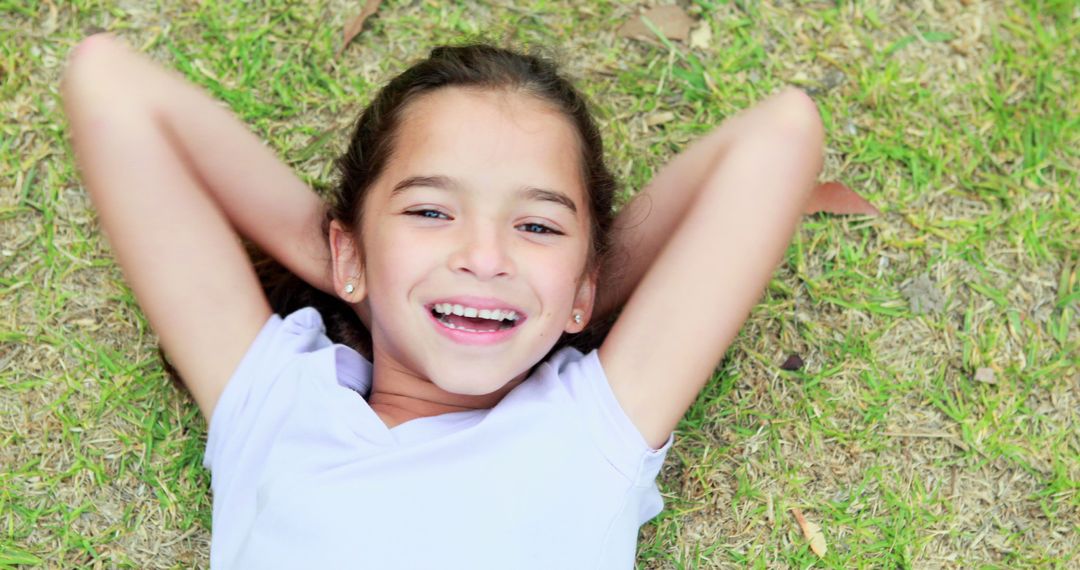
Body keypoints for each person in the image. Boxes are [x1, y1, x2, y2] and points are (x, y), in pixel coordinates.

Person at [61, 33, 824, 569]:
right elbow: (108, 83)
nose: (484, 258)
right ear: (350, 248)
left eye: (536, 226)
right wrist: (334, 258)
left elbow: (783, 133)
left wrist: (564, 300)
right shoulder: (274, 401)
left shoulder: (592, 427)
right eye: (430, 212)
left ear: (584, 286)